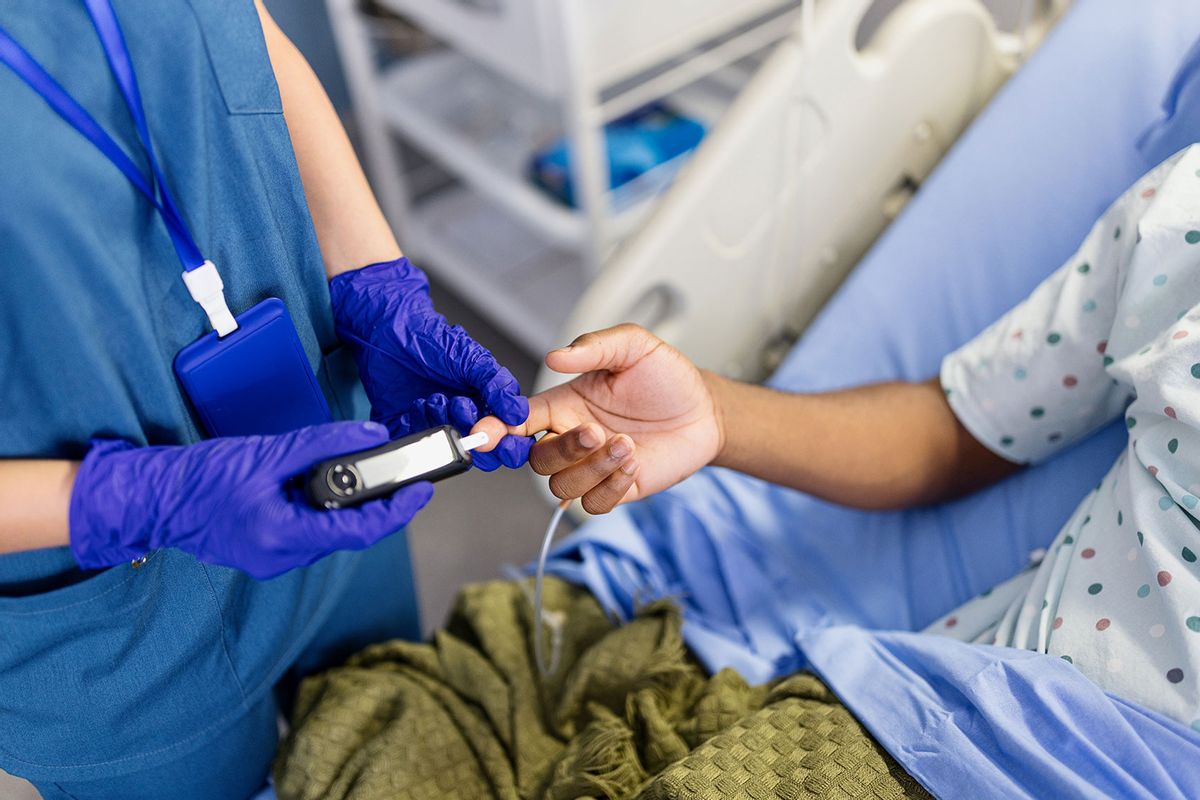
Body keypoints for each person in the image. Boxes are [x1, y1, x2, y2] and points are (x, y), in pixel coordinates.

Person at [475, 143, 1200, 728]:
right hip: (934, 721)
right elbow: (952, 430)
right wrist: (714, 417)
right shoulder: (1181, 218)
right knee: (435, 707)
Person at [0, 2, 527, 798]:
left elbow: (251, 42)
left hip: (322, 454)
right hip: (111, 629)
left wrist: (377, 286)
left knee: (404, 746)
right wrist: (135, 498)